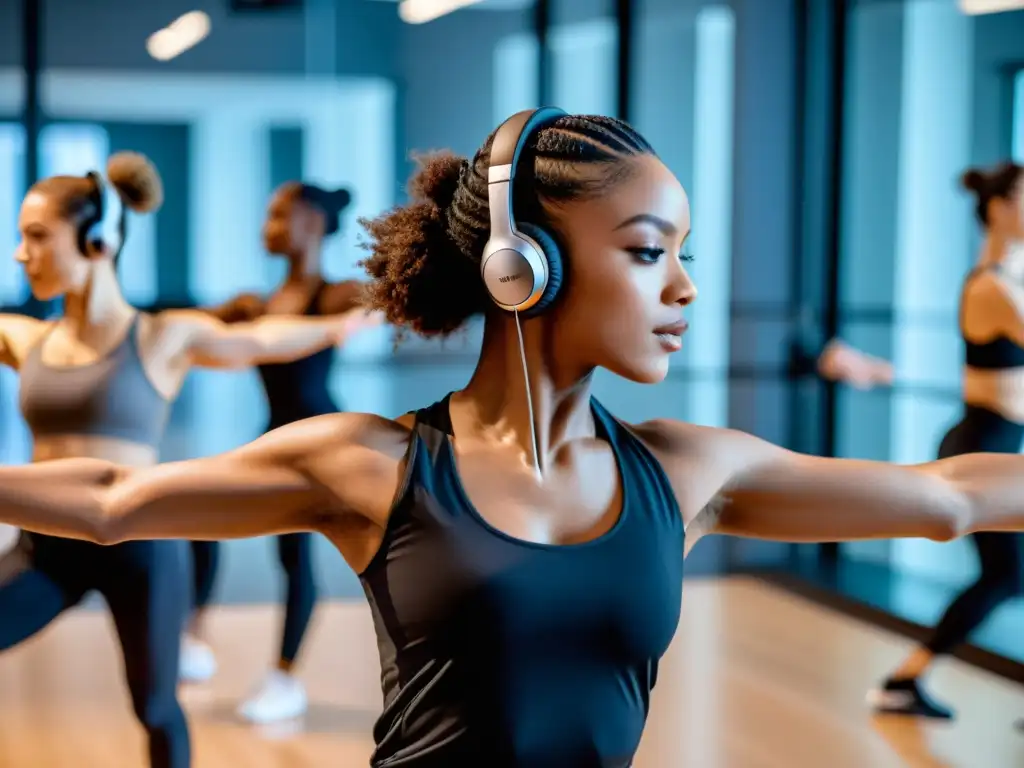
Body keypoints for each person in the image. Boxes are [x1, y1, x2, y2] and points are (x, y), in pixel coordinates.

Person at [0, 111, 1021, 767]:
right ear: (519, 265)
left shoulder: (689, 472)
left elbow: (945, 498)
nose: (685, 288)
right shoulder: (373, 464)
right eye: (647, 252)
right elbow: (109, 501)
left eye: (684, 254)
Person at [0, 152, 378, 768]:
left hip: (143, 547)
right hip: (48, 548)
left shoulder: (162, 335)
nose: (22, 253)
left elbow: (261, 339)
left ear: (97, 239)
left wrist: (340, 327)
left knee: (156, 710)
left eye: (37, 237)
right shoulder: (25, 337)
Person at [182, 182, 368, 726]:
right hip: (274, 438)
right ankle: (193, 636)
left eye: (278, 215)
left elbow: (381, 303)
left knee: (294, 559)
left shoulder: (336, 295)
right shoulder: (254, 305)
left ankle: (284, 677)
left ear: (312, 222)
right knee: (200, 511)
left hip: (324, 446)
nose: (267, 227)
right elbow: (181, 324)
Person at [870, 161, 1024, 721]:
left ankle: (904, 679)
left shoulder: (1009, 276)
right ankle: (902, 681)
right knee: (1007, 575)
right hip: (985, 447)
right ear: (1002, 207)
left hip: (999, 446)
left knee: (1010, 574)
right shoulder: (991, 288)